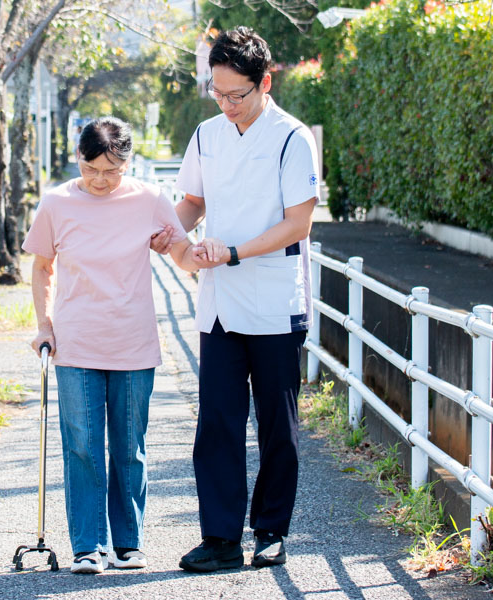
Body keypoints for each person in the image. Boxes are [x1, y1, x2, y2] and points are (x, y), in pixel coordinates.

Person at [153, 27, 320, 572]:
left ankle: (270, 531)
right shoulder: (207, 135)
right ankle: (220, 538)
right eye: (217, 94)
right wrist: (162, 233)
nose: (226, 105)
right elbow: (193, 203)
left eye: (236, 95)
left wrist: (235, 253)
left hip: (274, 299)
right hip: (220, 303)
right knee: (218, 422)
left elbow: (297, 224)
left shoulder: (293, 138)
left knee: (278, 423)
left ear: (264, 82)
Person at [22, 117, 200, 574]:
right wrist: (44, 325)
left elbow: (179, 253)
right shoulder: (57, 203)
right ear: (78, 157)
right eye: (91, 168)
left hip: (133, 342)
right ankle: (88, 545)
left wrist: (190, 251)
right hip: (77, 343)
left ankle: (127, 543)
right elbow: (42, 268)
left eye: (112, 171)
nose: (100, 180)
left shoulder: (149, 199)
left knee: (128, 447)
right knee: (82, 445)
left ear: (127, 163)